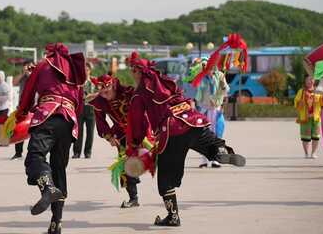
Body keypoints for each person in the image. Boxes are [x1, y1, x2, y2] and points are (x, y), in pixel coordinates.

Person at [126, 52, 245, 227]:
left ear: (138, 71)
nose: (131, 74)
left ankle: (173, 216)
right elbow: (185, 98)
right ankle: (219, 152)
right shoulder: (165, 82)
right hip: (192, 120)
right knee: (209, 142)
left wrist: (135, 142)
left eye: (132, 70)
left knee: (165, 178)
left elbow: (137, 122)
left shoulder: (140, 94)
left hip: (171, 130)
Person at [16, 43, 85, 234]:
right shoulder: (76, 71)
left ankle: (47, 189)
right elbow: (79, 104)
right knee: (58, 169)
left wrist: (21, 113)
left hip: (48, 114)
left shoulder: (43, 64)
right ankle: (56, 222)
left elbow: (29, 91)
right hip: (69, 121)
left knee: (35, 157)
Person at [89, 74, 142, 208]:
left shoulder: (127, 93)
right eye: (101, 92)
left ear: (112, 85)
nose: (104, 94)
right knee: (125, 164)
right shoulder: (99, 102)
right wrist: (110, 137)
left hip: (140, 129)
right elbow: (101, 123)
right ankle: (133, 197)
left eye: (106, 90)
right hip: (121, 134)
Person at [194, 59, 229, 168]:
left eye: (208, 66)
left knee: (217, 134)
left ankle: (216, 160)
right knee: (204, 135)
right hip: (204, 109)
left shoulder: (220, 76)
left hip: (216, 110)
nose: (207, 69)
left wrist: (223, 86)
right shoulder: (201, 78)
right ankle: (204, 160)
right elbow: (197, 96)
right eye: (204, 67)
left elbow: (225, 92)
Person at [294, 76, 322, 159]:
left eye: (312, 79)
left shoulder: (318, 91)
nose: (310, 81)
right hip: (305, 118)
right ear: (305, 82)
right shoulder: (301, 91)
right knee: (305, 137)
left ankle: (313, 153)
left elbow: (322, 102)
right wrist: (300, 103)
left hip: (316, 117)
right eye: (308, 80)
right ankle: (306, 153)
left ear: (314, 81)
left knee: (316, 137)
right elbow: (296, 102)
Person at [11, 61, 34, 159]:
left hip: (33, 105)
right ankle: (18, 152)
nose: (28, 68)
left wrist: (31, 73)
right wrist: (23, 73)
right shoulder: (22, 77)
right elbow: (14, 82)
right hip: (22, 105)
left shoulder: (35, 75)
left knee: (34, 129)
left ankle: (33, 152)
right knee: (19, 128)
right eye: (26, 66)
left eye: (30, 66)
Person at [72, 62, 95, 159]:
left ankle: (88, 152)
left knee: (90, 132)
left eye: (87, 69)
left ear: (90, 70)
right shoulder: (78, 82)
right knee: (79, 131)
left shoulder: (95, 81)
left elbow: (98, 93)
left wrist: (90, 96)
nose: (85, 71)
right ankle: (77, 152)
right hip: (80, 108)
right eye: (84, 70)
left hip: (91, 108)